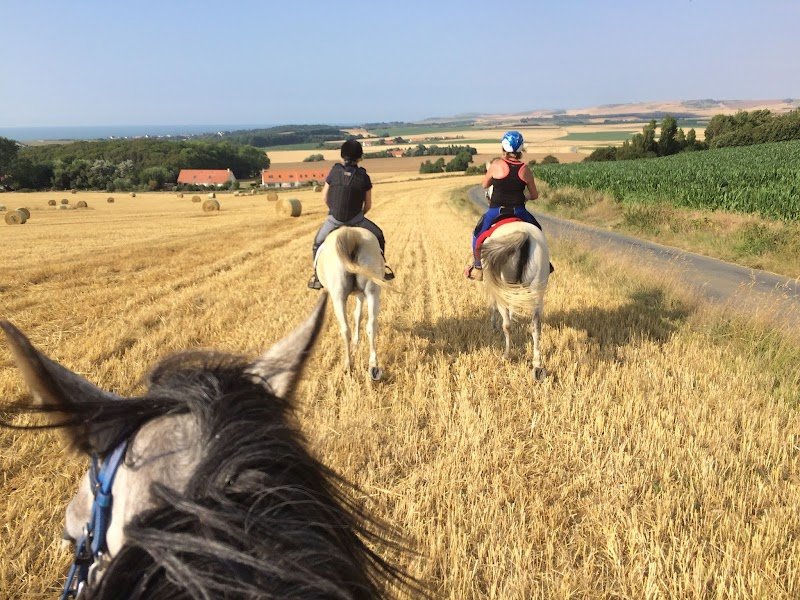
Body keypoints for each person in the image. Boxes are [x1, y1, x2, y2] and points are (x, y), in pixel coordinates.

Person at [308, 140, 394, 290]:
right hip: (357, 219)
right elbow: (368, 205)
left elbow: (324, 197)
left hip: (334, 219)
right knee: (379, 236)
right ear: (360, 157)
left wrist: (334, 212)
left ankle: (316, 276)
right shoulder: (363, 176)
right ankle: (383, 269)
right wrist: (358, 217)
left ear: (342, 155)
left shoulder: (334, 171)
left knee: (317, 242)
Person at [464, 130, 549, 281]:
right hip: (519, 211)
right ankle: (545, 263)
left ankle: (477, 267)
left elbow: (484, 184)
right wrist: (525, 197)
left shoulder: (496, 165)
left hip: (496, 211)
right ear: (521, 149)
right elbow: (534, 195)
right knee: (539, 231)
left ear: (503, 148)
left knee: (477, 235)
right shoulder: (525, 170)